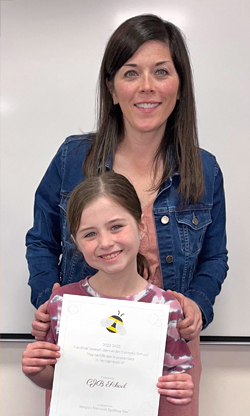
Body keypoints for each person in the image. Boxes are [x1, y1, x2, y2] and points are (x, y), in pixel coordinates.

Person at [26, 14, 228, 416]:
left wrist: (196, 306)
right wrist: (50, 301)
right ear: (112, 89)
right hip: (84, 351)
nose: (147, 87)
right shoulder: (72, 159)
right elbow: (42, 241)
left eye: (161, 72)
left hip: (169, 354)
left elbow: (214, 260)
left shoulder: (204, 170)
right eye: (130, 73)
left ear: (180, 86)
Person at [22, 172, 195, 416]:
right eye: (90, 234)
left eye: (116, 226)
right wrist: (35, 369)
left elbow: (175, 377)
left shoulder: (165, 307)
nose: (105, 242)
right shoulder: (63, 304)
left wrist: (180, 386)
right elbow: (57, 378)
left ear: (141, 226)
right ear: (76, 242)